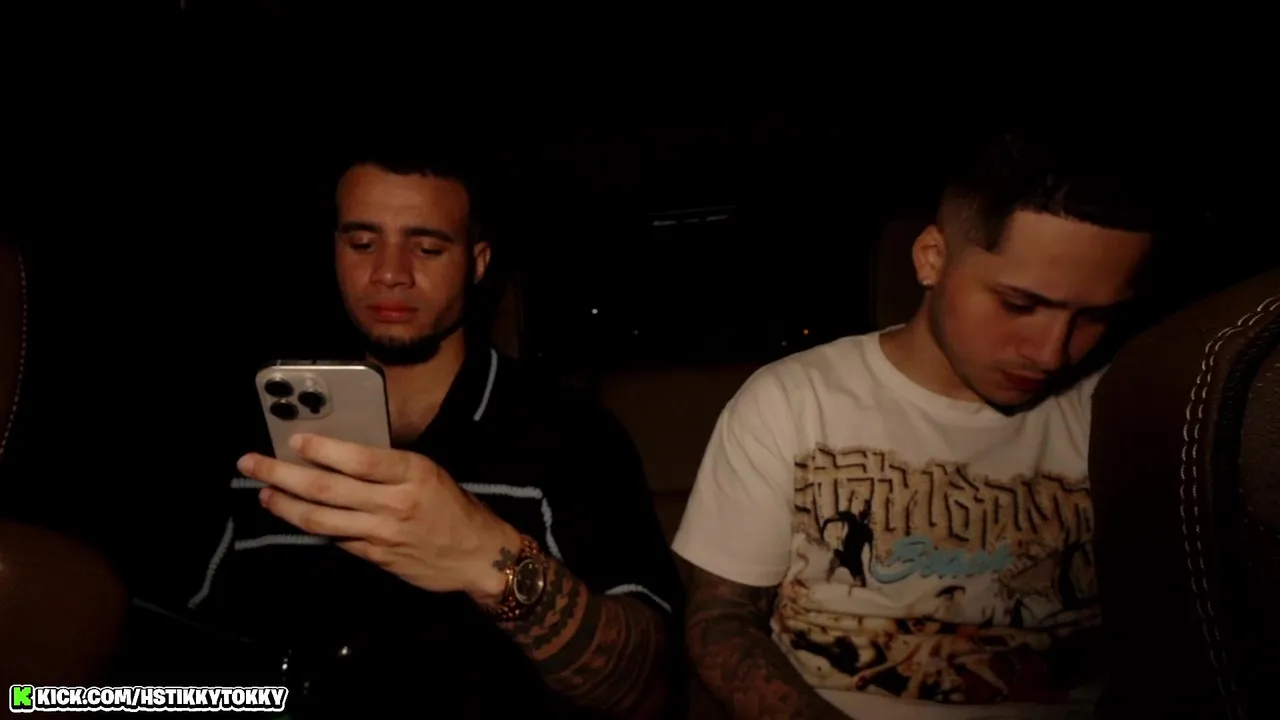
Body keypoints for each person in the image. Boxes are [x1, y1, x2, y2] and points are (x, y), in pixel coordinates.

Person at [673, 131, 1164, 719]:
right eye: (1019, 304)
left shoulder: (1124, 413)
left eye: (1094, 317)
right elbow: (721, 620)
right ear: (931, 258)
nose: (1051, 352)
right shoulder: (792, 401)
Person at [189, 141, 683, 718]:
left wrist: (487, 557)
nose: (389, 273)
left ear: (477, 262)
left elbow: (648, 686)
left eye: (426, 247)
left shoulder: (572, 434)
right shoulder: (255, 433)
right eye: (362, 243)